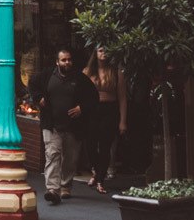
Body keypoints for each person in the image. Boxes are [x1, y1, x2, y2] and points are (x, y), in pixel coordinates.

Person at [30, 47, 97, 205]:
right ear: (57, 62)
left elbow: (93, 96)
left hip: (73, 126)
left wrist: (82, 108)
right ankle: (52, 189)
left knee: (70, 159)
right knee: (52, 155)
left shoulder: (79, 78)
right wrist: (38, 98)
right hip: (51, 124)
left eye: (69, 59)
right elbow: (32, 84)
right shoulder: (47, 75)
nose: (67, 62)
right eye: (63, 60)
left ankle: (65, 185)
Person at [85, 45, 129, 194]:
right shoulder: (87, 72)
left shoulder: (116, 72)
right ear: (95, 53)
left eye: (106, 50)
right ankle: (96, 172)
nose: (104, 53)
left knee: (105, 146)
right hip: (91, 110)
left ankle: (100, 179)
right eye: (101, 50)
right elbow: (79, 95)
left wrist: (123, 121)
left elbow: (122, 98)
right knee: (90, 145)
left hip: (109, 110)